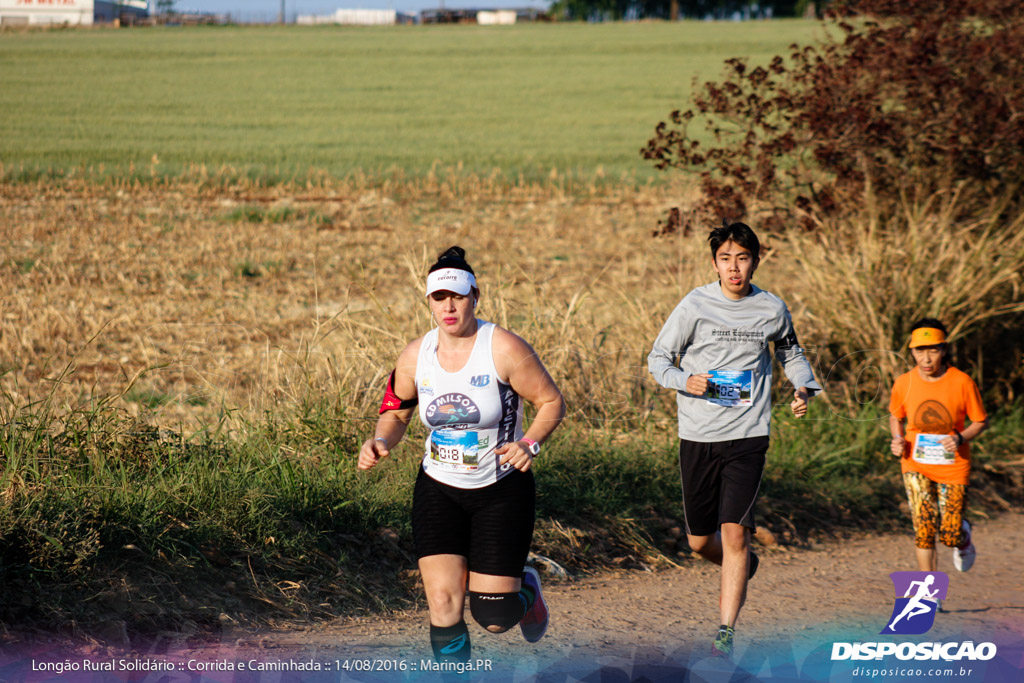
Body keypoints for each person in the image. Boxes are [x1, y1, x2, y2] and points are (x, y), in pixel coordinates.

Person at [358, 246, 565, 670]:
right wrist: (380, 440)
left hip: (501, 489)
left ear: (475, 296)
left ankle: (526, 591)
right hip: (438, 488)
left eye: (458, 296)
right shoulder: (416, 355)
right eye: (439, 298)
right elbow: (396, 411)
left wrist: (529, 445)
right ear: (430, 303)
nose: (449, 306)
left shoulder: (504, 347)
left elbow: (551, 402)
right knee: (443, 603)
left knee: (493, 617)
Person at [647, 221, 821, 658]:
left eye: (742, 258)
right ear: (715, 263)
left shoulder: (771, 308)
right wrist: (687, 381)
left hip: (748, 435)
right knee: (701, 542)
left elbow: (790, 352)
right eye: (726, 259)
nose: (734, 268)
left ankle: (725, 631)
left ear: (755, 261)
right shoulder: (694, 304)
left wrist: (803, 386)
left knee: (736, 534)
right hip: (698, 435)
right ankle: (742, 568)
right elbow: (658, 360)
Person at [889, 318, 988, 583]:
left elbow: (980, 421)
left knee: (949, 534)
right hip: (914, 463)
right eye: (920, 350)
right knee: (923, 528)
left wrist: (960, 437)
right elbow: (896, 417)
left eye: (933, 349)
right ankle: (929, 594)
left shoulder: (962, 382)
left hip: (954, 466)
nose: (926, 357)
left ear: (944, 349)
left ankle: (962, 536)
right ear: (911, 351)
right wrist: (897, 439)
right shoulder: (903, 382)